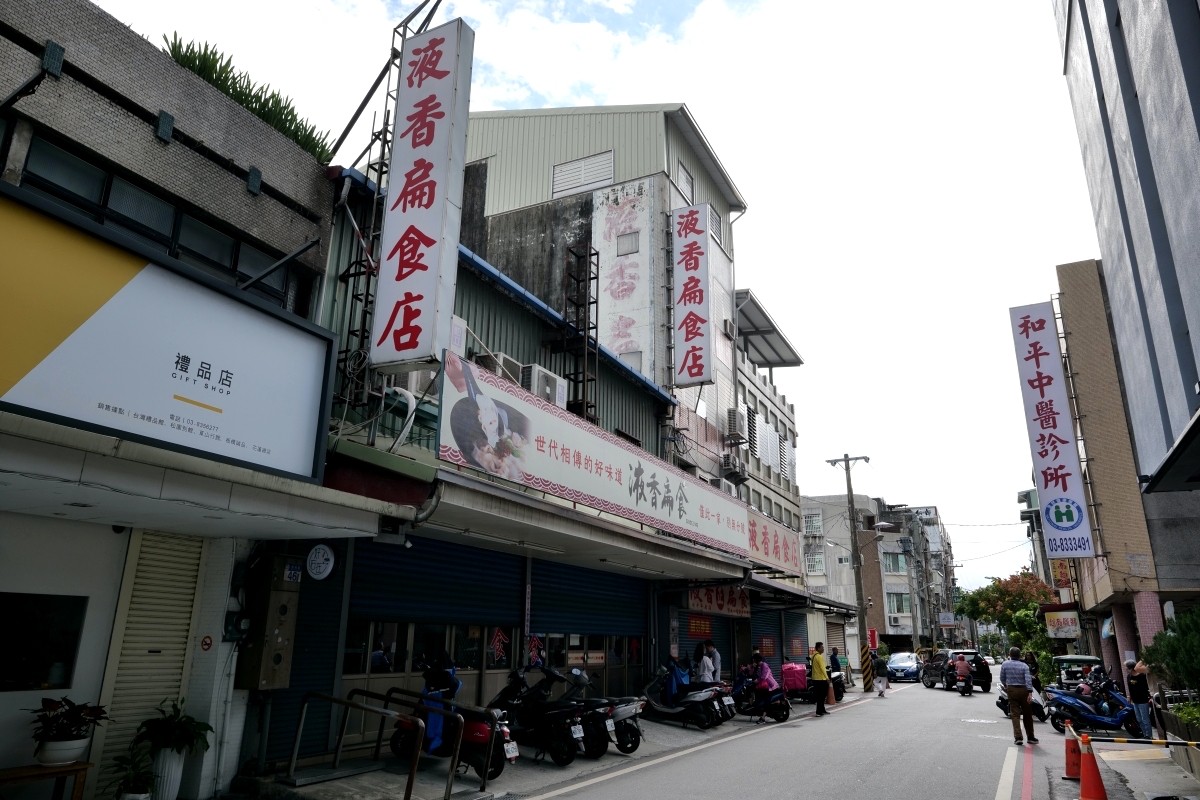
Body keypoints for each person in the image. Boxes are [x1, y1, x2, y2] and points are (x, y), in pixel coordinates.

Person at [1000, 646, 1038, 745]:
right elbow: (1028, 680)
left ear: (1009, 655)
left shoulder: (1005, 664)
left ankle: (1018, 737)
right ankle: (1030, 737)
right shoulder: (1024, 666)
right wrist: (1030, 692)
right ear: (1020, 656)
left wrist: (1006, 685)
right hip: (1024, 690)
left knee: (1015, 715)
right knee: (1027, 714)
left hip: (1011, 690)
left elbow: (1002, 678)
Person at [1127, 658, 1153, 739]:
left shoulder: (1142, 676)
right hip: (1135, 701)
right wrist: (1129, 697)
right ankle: (1144, 734)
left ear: (1131, 668)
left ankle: (1149, 735)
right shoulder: (1129, 676)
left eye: (1127, 668)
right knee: (1139, 719)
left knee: (1145, 718)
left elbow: (1146, 687)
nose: (1126, 669)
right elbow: (1130, 688)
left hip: (1143, 700)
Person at [750, 652, 778, 724]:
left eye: (754, 660)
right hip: (764, 686)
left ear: (757, 660)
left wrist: (756, 681)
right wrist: (752, 667)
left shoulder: (764, 665)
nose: (754, 661)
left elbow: (763, 677)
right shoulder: (759, 666)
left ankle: (763, 718)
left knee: (766, 700)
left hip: (769, 686)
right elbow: (751, 673)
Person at [811, 642, 830, 717]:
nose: (823, 648)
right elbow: (823, 668)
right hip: (820, 679)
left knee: (820, 695)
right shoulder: (819, 657)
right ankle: (819, 711)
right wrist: (827, 678)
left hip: (815, 678)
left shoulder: (813, 656)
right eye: (822, 647)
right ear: (818, 648)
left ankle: (822, 710)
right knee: (822, 695)